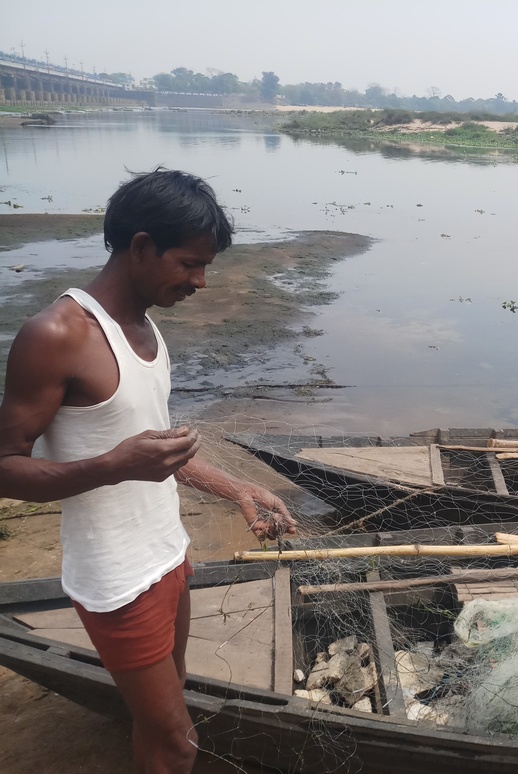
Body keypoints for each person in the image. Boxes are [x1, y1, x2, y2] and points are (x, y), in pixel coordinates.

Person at [0, 168, 297, 773]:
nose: (201, 281)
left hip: (168, 555)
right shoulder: (55, 335)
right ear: (140, 246)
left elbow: (159, 454)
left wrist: (236, 487)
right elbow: (6, 470)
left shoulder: (148, 331)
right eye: (189, 264)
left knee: (166, 713)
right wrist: (113, 466)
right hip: (116, 579)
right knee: (174, 742)